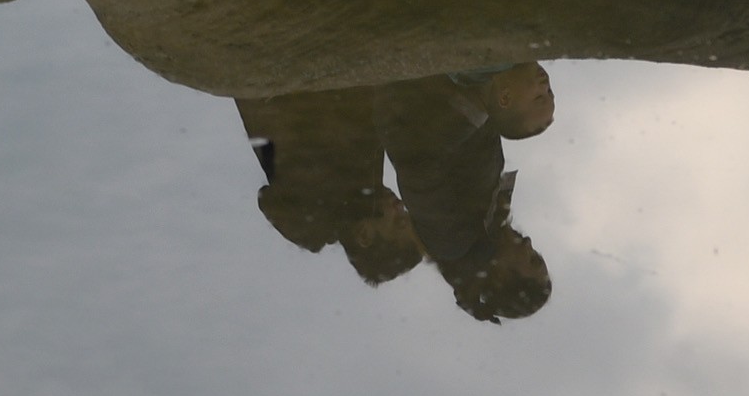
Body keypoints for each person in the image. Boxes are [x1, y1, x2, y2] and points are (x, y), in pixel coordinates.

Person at [233, 64, 556, 320]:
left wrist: (481, 106)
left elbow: (419, 163)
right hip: (315, 85)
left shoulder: (454, 240)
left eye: (530, 259)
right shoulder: (474, 226)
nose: (529, 243)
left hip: (294, 83)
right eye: (537, 255)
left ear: (500, 276)